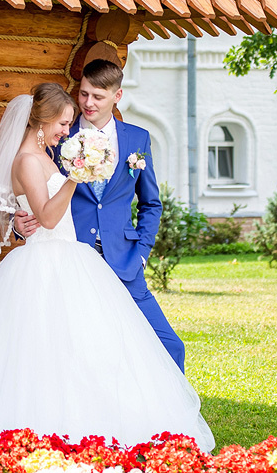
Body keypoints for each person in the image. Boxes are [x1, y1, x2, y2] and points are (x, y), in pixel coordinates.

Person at [0, 83, 213, 466]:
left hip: (73, 258)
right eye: (63, 123)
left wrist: (69, 177)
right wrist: (75, 176)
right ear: (43, 120)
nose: (66, 131)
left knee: (88, 352)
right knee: (42, 355)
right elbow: (48, 216)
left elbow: (49, 210)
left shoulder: (47, 157)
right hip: (44, 264)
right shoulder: (27, 161)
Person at [14, 60, 184, 372]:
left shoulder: (138, 139)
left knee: (168, 344)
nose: (88, 103)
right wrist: (17, 221)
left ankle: (176, 420)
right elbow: (29, 183)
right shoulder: (57, 135)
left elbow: (151, 203)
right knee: (83, 351)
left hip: (125, 261)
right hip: (72, 261)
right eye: (83, 94)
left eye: (97, 96)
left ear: (117, 96)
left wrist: (142, 253)